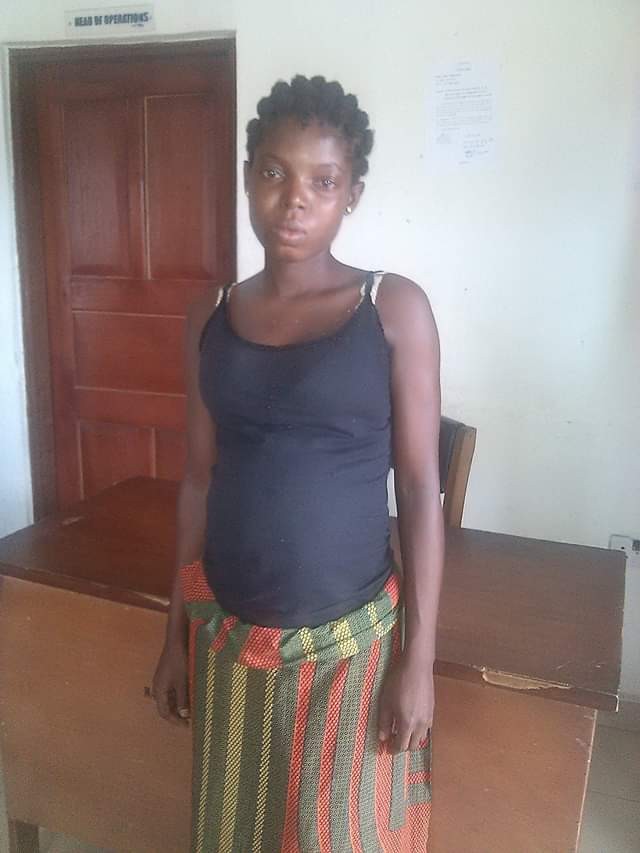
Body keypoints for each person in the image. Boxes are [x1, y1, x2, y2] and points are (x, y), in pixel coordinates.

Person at [152, 74, 444, 853]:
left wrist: (419, 660)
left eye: (323, 181)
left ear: (352, 195)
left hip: (350, 642)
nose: (294, 200)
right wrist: (175, 631)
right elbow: (197, 481)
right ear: (249, 177)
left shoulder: (391, 308)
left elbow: (421, 490)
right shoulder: (211, 315)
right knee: (233, 831)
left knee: (338, 836)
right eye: (275, 173)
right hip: (227, 636)